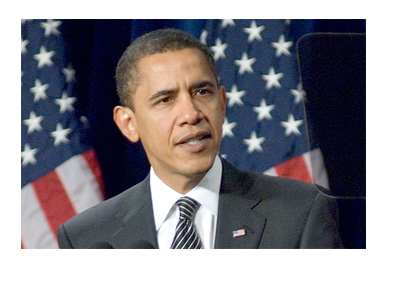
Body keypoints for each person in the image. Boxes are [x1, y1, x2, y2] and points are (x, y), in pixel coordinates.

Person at [57, 29, 343, 249]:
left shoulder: (300, 212)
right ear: (128, 123)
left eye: (202, 92)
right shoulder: (87, 238)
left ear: (222, 102)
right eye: (165, 100)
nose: (191, 114)